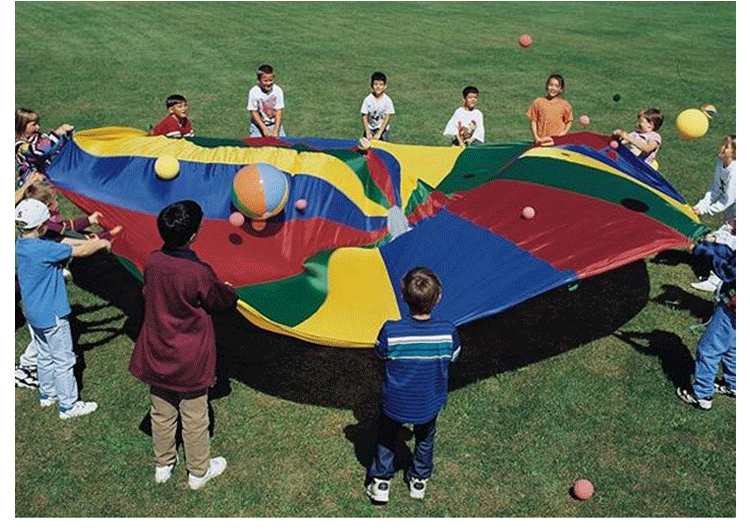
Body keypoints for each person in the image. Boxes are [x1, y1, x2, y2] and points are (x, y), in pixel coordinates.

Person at [128, 200, 238, 489]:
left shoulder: (153, 261)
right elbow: (217, 301)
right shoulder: (197, 272)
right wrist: (229, 292)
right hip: (189, 355)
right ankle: (199, 471)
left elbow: (149, 291)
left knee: (161, 411)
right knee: (194, 415)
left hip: (157, 349)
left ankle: (163, 464)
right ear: (193, 235)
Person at [365, 267, 460, 503]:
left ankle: (381, 482)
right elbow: (454, 356)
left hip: (395, 401)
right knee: (425, 438)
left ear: (402, 296)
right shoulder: (447, 332)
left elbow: (380, 353)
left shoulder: (391, 331)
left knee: (387, 437)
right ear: (438, 298)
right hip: (429, 401)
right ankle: (418, 480)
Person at [15, 198, 111, 419]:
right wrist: (102, 242)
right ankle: (69, 406)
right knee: (64, 359)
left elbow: (65, 246)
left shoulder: (21, 245)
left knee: (44, 355)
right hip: (53, 314)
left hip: (34, 313)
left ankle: (47, 394)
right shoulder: (45, 249)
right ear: (42, 226)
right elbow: (80, 250)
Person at [676, 239, 735, 409]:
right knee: (732, 346)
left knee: (708, 349)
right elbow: (729, 254)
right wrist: (703, 245)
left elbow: (728, 271)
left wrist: (700, 251)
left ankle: (702, 395)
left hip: (732, 310)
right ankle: (733, 384)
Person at [690, 135, 736, 291]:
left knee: (726, 242)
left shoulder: (736, 172)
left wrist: (706, 210)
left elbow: (727, 200)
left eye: (727, 147)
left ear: (735, 152)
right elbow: (715, 189)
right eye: (723, 144)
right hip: (731, 212)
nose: (722, 148)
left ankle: (717, 280)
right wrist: (700, 206)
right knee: (713, 240)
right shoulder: (720, 162)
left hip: (735, 212)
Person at [15, 108, 74, 186]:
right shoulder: (20, 145)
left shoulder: (37, 137)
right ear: (22, 126)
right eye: (34, 124)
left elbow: (56, 149)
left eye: (38, 123)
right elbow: (39, 151)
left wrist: (67, 136)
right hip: (31, 183)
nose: (38, 127)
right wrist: (57, 133)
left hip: (46, 178)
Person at [526, 74, 573, 145]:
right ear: (547, 86)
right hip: (542, 141)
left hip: (557, 143)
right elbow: (533, 121)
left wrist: (563, 133)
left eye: (556, 86)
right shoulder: (538, 102)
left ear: (561, 89)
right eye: (551, 85)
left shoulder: (565, 105)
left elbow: (569, 121)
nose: (553, 88)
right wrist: (536, 138)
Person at [247, 64, 285, 138]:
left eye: (271, 80)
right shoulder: (254, 92)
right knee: (256, 143)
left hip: (274, 123)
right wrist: (264, 129)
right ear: (259, 80)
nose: (268, 83)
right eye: (265, 81)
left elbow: (278, 111)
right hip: (258, 124)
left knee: (281, 142)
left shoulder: (278, 91)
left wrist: (276, 130)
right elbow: (254, 112)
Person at [361, 72, 395, 141]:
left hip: (382, 128)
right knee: (365, 144)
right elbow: (364, 116)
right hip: (370, 127)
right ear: (372, 85)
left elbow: (387, 117)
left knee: (381, 145)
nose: (378, 87)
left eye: (381, 85)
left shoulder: (387, 100)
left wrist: (379, 133)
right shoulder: (368, 100)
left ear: (385, 86)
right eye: (376, 84)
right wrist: (367, 131)